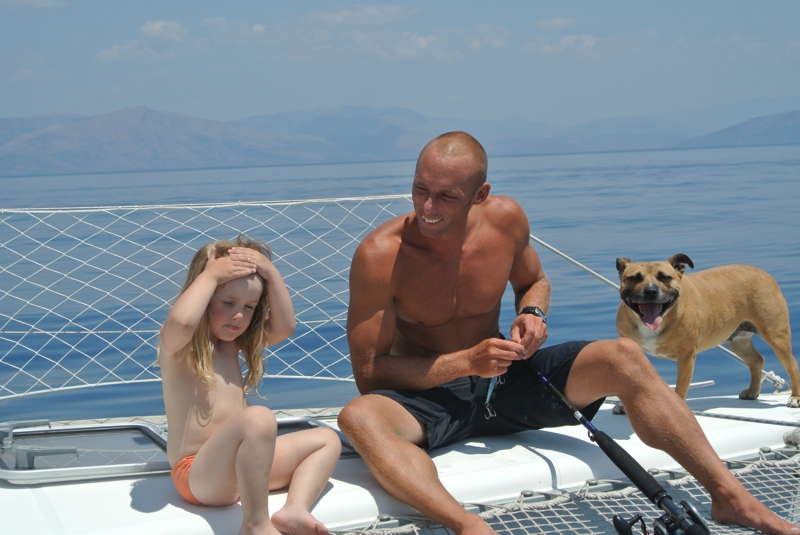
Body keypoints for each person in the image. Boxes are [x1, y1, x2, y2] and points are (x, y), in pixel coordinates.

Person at [337, 131, 799, 535]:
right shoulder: (381, 255)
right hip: (428, 395)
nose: (427, 207)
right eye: (420, 189)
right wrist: (465, 363)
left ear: (480, 195)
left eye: (446, 196)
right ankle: (468, 526)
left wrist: (533, 311)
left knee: (623, 355)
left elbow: (534, 281)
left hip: (505, 380)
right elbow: (370, 373)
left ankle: (730, 497)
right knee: (359, 418)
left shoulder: (505, 220)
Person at [158, 234, 341, 535]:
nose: (239, 315)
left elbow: (285, 327)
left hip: (240, 469)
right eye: (228, 302)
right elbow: (183, 321)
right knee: (258, 418)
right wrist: (211, 275)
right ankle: (255, 524)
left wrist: (273, 275)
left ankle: (294, 509)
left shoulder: (234, 343)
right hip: (198, 474)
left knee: (326, 440)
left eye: (250, 306)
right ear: (203, 295)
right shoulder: (177, 346)